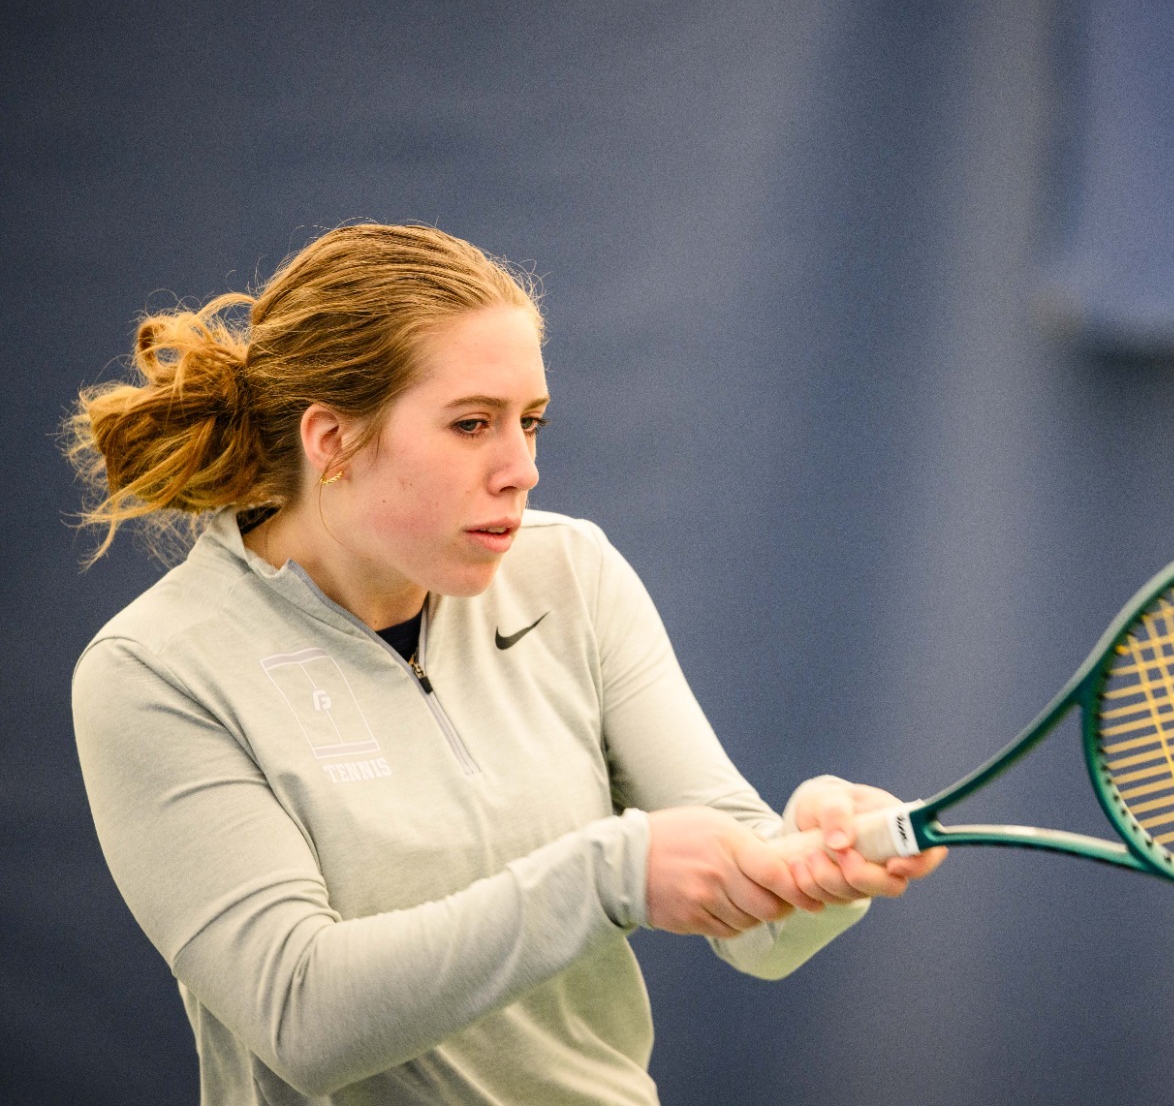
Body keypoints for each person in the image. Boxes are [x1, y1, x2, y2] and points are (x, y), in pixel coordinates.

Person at [67, 223, 944, 1105]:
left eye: (530, 423)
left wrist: (814, 867)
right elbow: (304, 1015)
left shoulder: (576, 573)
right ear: (330, 439)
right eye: (472, 423)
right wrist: (610, 875)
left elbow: (759, 933)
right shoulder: (152, 673)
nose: (521, 469)